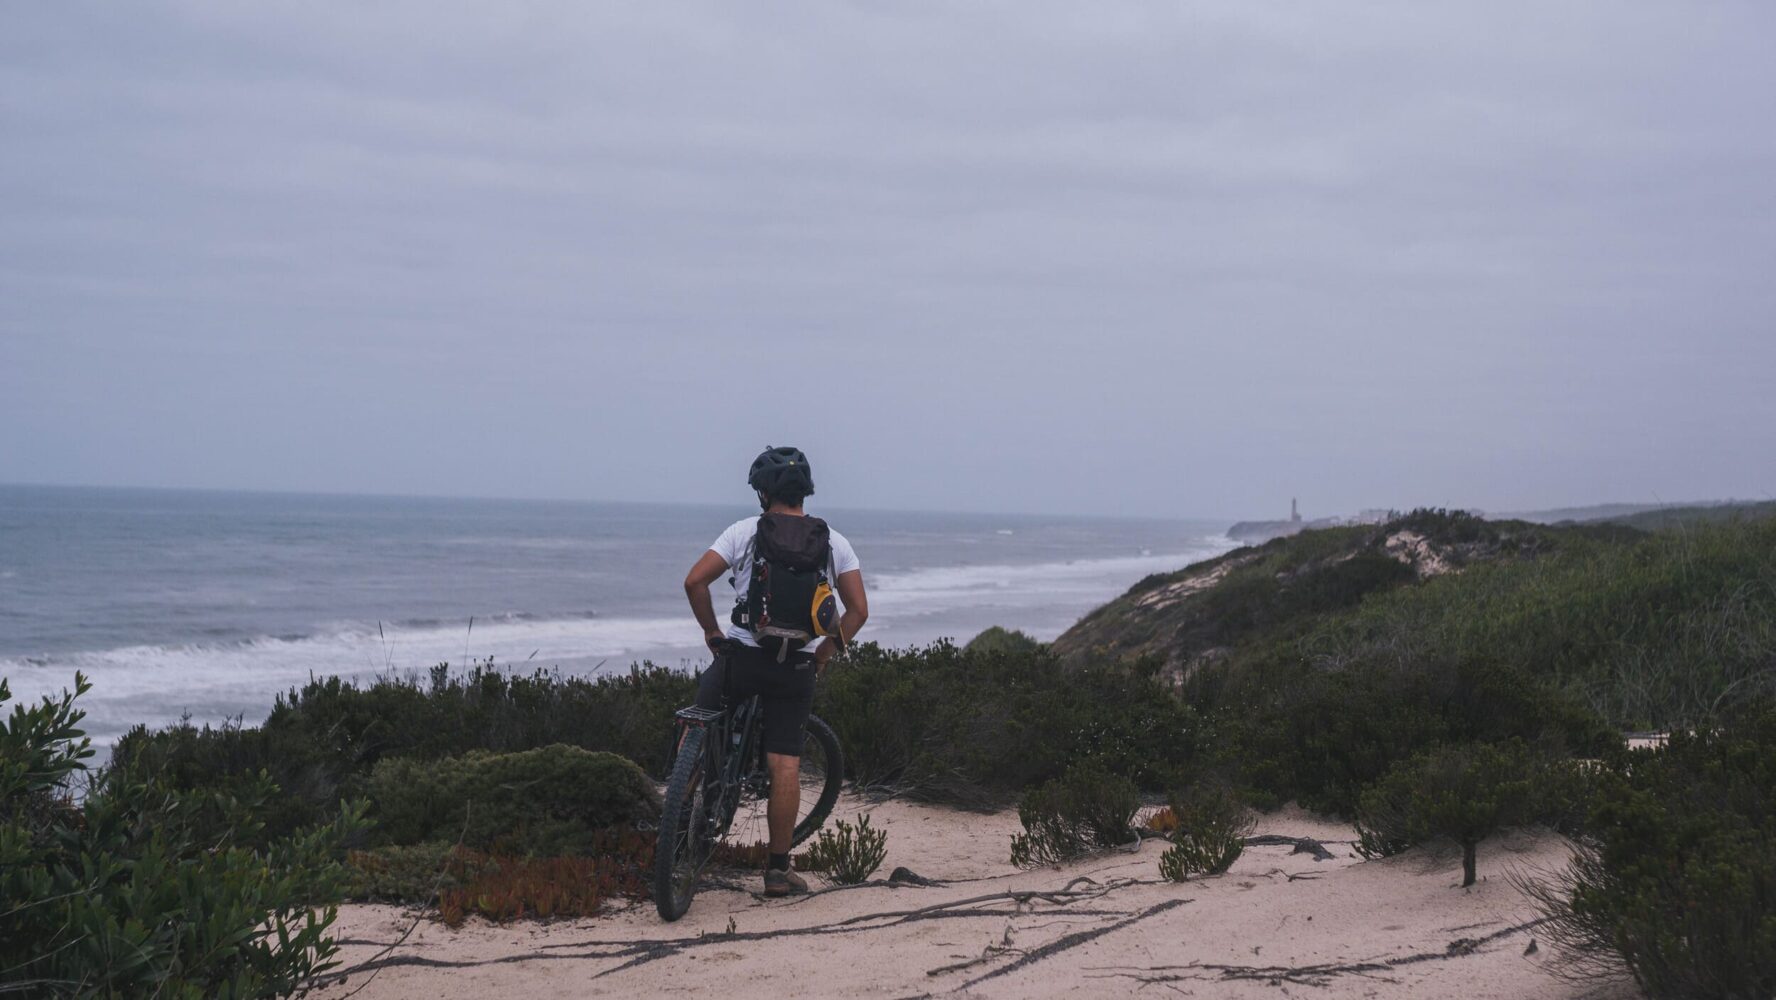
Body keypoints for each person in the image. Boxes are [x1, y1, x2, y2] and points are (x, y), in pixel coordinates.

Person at [682, 445, 868, 897]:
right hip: (795, 667)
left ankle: (677, 833)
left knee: (697, 731)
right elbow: (858, 611)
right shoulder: (832, 542)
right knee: (785, 763)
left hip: (741, 659)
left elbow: (694, 582)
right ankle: (778, 871)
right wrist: (822, 654)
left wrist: (711, 633)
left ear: (763, 493)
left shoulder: (744, 532)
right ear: (805, 491)